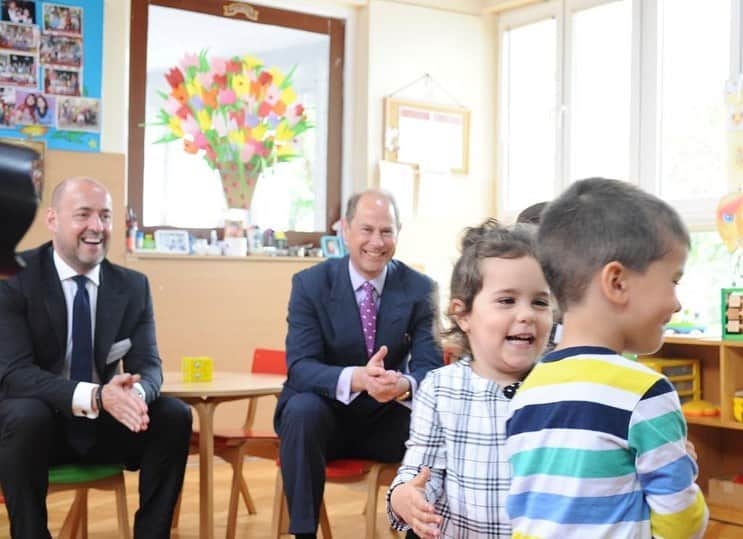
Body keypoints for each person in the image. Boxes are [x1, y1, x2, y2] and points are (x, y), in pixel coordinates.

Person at [505, 178, 708, 538]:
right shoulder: (646, 393)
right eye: (673, 281)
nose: (677, 303)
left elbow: (528, 513)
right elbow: (680, 521)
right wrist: (682, 471)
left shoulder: (528, 389)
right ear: (616, 282)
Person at [0, 177, 192, 538]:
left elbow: (149, 364)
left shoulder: (133, 286)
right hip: (37, 429)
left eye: (104, 216)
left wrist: (131, 398)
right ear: (53, 220)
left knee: (174, 415)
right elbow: (14, 374)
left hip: (102, 425)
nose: (97, 227)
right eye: (83, 215)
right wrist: (96, 395)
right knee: (26, 413)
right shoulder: (13, 278)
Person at [275, 189, 443, 539]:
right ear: (345, 231)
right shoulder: (310, 284)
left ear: (398, 233)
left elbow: (430, 370)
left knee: (441, 423)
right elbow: (301, 367)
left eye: (386, 231)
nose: (376, 242)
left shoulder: (420, 289)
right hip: (326, 420)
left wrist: (403, 385)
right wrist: (359, 379)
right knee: (301, 409)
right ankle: (302, 533)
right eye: (366, 230)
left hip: (386, 419)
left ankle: (424, 532)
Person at [385, 219, 553, 539]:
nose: (527, 314)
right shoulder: (440, 388)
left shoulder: (560, 386)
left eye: (540, 302)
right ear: (463, 315)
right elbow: (422, 469)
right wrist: (404, 496)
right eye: (507, 300)